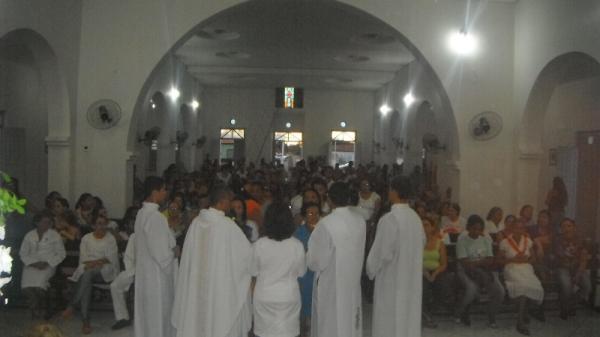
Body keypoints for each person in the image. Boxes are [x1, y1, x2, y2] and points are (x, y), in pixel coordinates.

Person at [172, 186, 253, 337]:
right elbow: (247, 256)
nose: (230, 205)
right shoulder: (227, 225)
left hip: (196, 286)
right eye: (229, 201)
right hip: (219, 287)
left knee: (196, 321)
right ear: (222, 202)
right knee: (217, 321)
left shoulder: (196, 223)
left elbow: (188, 258)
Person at [366, 176, 425, 337]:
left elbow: (381, 253)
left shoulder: (390, 219)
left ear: (394, 192)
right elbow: (422, 243)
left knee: (389, 322)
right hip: (411, 279)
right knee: (408, 320)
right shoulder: (415, 219)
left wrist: (370, 269)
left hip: (391, 280)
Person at [307, 182, 366, 337]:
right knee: (349, 324)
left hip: (331, 285)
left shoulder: (326, 224)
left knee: (330, 325)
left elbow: (316, 261)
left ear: (329, 199)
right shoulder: (360, 221)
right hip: (352, 282)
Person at [251, 203, 306, 337]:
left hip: (264, 295)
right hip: (288, 296)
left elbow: (252, 271)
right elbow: (301, 272)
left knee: (264, 333)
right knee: (288, 333)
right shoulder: (296, 245)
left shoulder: (259, 245)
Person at [134, 176, 178, 337]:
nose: (166, 193)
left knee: (146, 316)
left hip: (145, 273)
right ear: (155, 192)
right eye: (164, 189)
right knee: (158, 316)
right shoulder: (156, 217)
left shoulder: (141, 213)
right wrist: (175, 251)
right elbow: (162, 254)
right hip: (157, 277)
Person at [62, 212, 120, 334]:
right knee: (87, 279)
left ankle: (73, 305)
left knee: (87, 274)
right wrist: (94, 263)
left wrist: (95, 263)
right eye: (99, 224)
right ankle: (85, 322)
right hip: (88, 267)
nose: (102, 226)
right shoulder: (86, 238)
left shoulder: (110, 238)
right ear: (93, 225)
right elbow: (83, 258)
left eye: (104, 224)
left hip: (105, 269)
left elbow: (111, 257)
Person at [454, 215, 505, 328]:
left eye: (479, 229)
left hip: (484, 271)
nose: (477, 231)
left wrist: (478, 263)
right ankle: (459, 311)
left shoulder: (485, 239)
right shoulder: (462, 241)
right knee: (471, 289)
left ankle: (491, 316)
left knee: (500, 291)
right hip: (464, 270)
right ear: (468, 228)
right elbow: (465, 263)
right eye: (474, 228)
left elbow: (490, 259)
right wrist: (482, 262)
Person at [498, 218, 545, 335]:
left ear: (524, 229)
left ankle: (524, 311)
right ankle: (520, 322)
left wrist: (527, 259)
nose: (519, 230)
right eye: (517, 228)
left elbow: (533, 259)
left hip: (526, 268)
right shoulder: (504, 242)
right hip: (511, 268)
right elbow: (498, 260)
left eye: (522, 228)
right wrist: (512, 259)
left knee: (534, 286)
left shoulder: (528, 241)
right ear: (512, 228)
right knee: (522, 287)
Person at [19, 211, 66, 319]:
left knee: (40, 288)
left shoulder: (55, 235)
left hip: (48, 265)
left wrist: (48, 263)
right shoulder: (29, 235)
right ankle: (35, 310)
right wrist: (33, 263)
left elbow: (61, 254)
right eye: (44, 222)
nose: (47, 225)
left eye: (49, 222)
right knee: (27, 288)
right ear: (37, 222)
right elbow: (23, 253)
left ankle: (42, 309)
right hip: (31, 265)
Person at [554, 218, 591, 320]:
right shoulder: (557, 240)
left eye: (569, 226)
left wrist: (578, 274)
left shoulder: (582, 241)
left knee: (587, 287)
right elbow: (560, 257)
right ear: (561, 229)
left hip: (577, 267)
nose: (566, 228)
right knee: (567, 286)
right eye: (564, 226)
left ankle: (570, 305)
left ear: (574, 228)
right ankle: (565, 309)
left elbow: (584, 259)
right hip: (562, 268)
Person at [294, 202, 321, 337]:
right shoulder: (298, 233)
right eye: (310, 213)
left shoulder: (323, 231)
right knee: (303, 315)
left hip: (319, 277)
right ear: (304, 215)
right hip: (303, 278)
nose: (314, 216)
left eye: (317, 213)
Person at [421, 216, 449, 329]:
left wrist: (434, 274)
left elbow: (444, 263)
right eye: (422, 225)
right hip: (421, 271)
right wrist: (426, 273)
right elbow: (415, 261)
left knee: (444, 288)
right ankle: (426, 316)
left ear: (433, 227)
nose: (423, 227)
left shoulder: (439, 243)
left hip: (437, 271)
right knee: (424, 290)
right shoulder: (417, 242)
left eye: (426, 225)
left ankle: (430, 312)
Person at [110, 232, 135, 330]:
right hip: (133, 270)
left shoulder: (158, 233)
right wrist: (132, 272)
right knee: (115, 286)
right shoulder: (134, 236)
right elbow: (128, 257)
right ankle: (123, 318)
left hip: (151, 273)